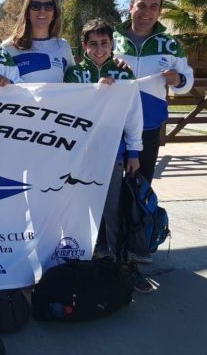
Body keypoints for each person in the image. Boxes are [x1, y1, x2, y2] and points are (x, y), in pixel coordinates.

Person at [64, 20, 155, 294]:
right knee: (80, 209)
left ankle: (118, 261)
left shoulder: (124, 75)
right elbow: (66, 110)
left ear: (112, 45)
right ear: (84, 46)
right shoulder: (73, 74)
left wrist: (134, 151)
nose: (99, 49)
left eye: (104, 43)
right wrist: (95, 91)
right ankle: (84, 259)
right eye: (93, 44)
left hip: (114, 154)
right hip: (80, 155)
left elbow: (133, 116)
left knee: (113, 209)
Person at [113, 0, 194, 264]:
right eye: (142, 5)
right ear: (130, 6)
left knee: (140, 184)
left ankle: (138, 243)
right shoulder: (111, 39)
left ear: (159, 11)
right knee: (108, 184)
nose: (146, 12)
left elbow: (188, 80)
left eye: (153, 6)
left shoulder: (170, 44)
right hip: (111, 125)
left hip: (147, 127)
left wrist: (178, 80)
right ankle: (110, 241)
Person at [1, 0, 75, 82]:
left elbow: (76, 82)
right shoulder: (8, 47)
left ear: (54, 14)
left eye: (49, 6)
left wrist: (101, 86)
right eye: (36, 6)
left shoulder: (63, 46)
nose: (42, 10)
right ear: (27, 13)